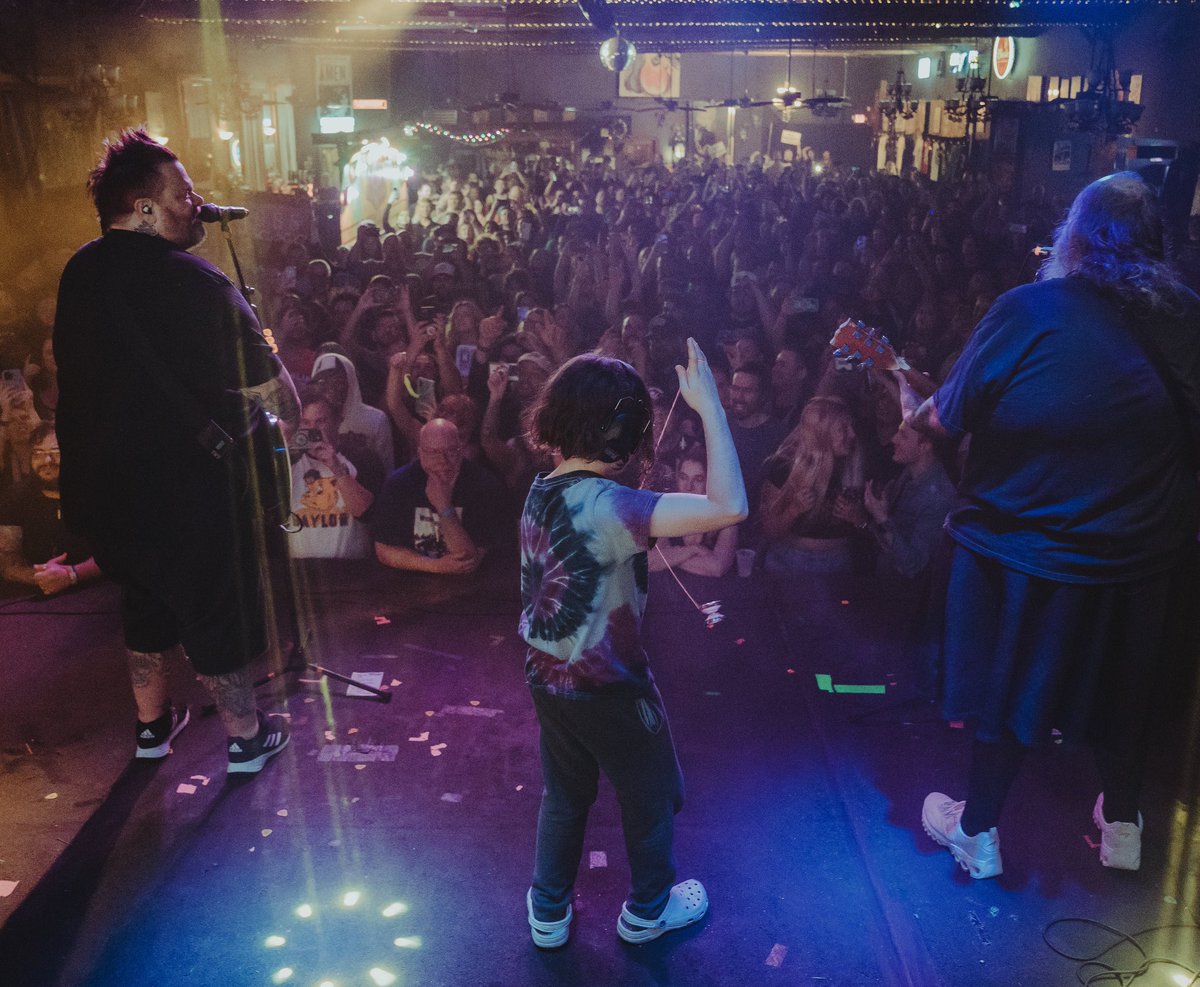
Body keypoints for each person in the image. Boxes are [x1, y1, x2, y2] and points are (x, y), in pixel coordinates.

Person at [904, 173, 1200, 878]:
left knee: (1006, 694)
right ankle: (1123, 826)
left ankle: (978, 832)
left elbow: (945, 418)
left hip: (1028, 554)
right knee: (1126, 692)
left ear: (1075, 236)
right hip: (1144, 554)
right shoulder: (1190, 316)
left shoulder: (1029, 310)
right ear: (1155, 246)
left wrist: (914, 409)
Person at [54, 129, 300, 774]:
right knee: (212, 607)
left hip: (104, 492)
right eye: (184, 194)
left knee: (143, 601)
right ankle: (247, 738)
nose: (198, 204)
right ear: (144, 207)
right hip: (186, 491)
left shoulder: (78, 272)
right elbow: (276, 390)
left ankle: (151, 730)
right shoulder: (195, 280)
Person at [519, 341, 747, 949]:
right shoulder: (608, 504)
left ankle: (548, 912)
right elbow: (730, 507)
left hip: (548, 677)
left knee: (565, 795)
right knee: (649, 798)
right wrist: (710, 410)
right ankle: (648, 912)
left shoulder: (541, 490)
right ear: (621, 431)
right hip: (608, 688)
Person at [371, 417, 504, 575]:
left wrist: (444, 507)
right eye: (433, 452)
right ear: (420, 453)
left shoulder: (484, 485)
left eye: (450, 451)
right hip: (409, 589)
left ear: (461, 451)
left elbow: (467, 562)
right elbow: (383, 549)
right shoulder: (399, 484)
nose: (443, 460)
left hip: (472, 591)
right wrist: (435, 566)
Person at [759, 396, 865, 576]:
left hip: (839, 564)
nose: (852, 434)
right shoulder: (784, 467)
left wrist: (858, 517)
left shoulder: (854, 466)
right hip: (790, 563)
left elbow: (871, 533)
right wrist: (793, 510)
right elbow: (769, 529)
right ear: (821, 433)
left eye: (851, 426)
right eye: (843, 429)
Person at [0, 423, 100, 594]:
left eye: (55, 452)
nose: (47, 461)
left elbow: (118, 553)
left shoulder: (96, 492)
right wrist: (43, 577)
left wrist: (72, 575)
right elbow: (8, 563)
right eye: (38, 453)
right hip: (34, 596)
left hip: (95, 590)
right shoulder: (16, 496)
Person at [287, 392, 379, 559]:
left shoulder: (362, 458)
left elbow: (365, 512)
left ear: (338, 421)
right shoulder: (289, 462)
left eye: (320, 421)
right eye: (305, 422)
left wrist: (335, 466)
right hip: (302, 572)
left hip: (350, 570)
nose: (312, 429)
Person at [647, 446, 738, 577]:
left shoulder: (727, 518)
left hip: (711, 593)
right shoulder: (666, 511)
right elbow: (651, 561)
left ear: (709, 483)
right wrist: (694, 550)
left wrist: (672, 556)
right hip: (672, 592)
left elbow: (717, 568)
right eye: (683, 477)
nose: (688, 487)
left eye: (698, 479)